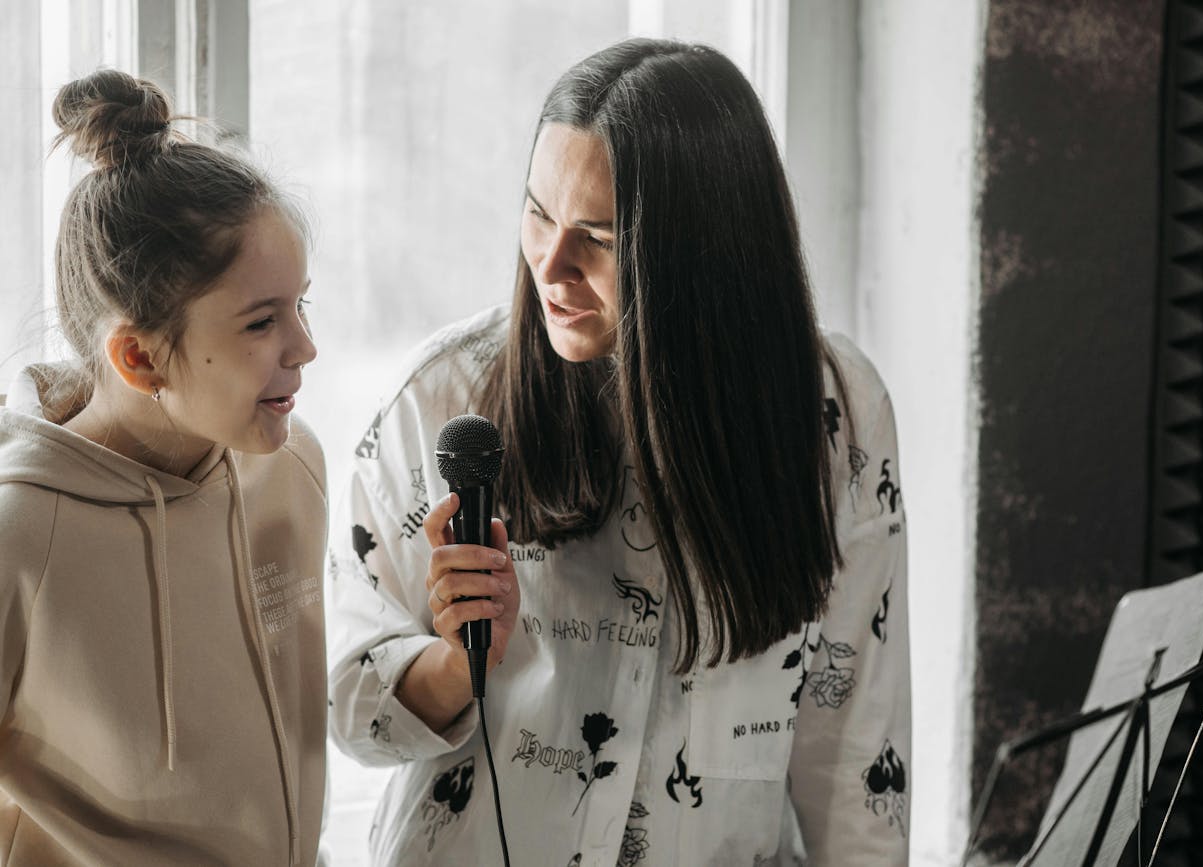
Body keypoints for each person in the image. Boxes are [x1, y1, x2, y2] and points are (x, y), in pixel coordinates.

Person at [328, 38, 910, 865]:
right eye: (537, 213)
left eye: (596, 238)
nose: (549, 266)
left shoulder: (836, 415)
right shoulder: (445, 398)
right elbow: (346, 701)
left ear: (704, 254)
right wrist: (456, 667)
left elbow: (855, 746)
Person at [0, 70, 327, 865]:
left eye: (300, 305)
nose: (305, 348)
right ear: (139, 356)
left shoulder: (291, 468)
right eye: (261, 321)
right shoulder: (19, 534)